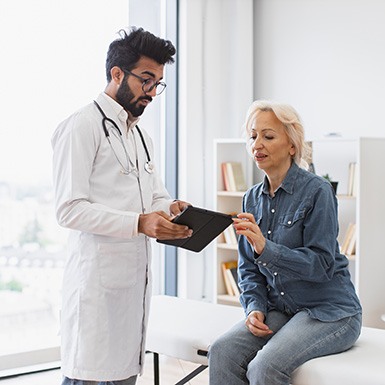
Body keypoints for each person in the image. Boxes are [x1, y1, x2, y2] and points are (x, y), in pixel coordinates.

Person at [51, 27, 192, 385]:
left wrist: (170, 208)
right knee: (89, 376)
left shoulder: (141, 134)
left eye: (158, 83)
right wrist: (139, 223)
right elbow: (69, 209)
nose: (152, 92)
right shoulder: (81, 126)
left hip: (133, 288)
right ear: (117, 74)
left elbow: (153, 195)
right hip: (97, 291)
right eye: (147, 80)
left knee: (125, 376)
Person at [208, 100, 362, 385]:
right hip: (284, 309)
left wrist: (267, 249)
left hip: (330, 311)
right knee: (222, 351)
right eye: (253, 136)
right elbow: (248, 269)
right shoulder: (251, 198)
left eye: (268, 136)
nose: (257, 144)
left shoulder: (318, 191)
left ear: (292, 145)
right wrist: (254, 306)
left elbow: (322, 265)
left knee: (264, 368)